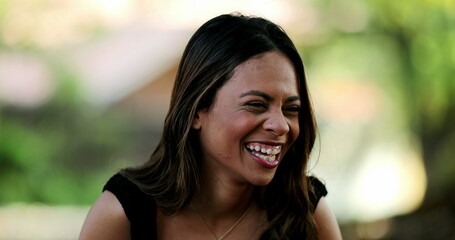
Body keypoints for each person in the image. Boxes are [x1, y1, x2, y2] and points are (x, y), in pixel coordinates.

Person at [79, 13, 342, 240]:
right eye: (256, 104)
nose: (281, 125)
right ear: (197, 111)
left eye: (291, 109)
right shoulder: (124, 215)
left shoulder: (306, 213)